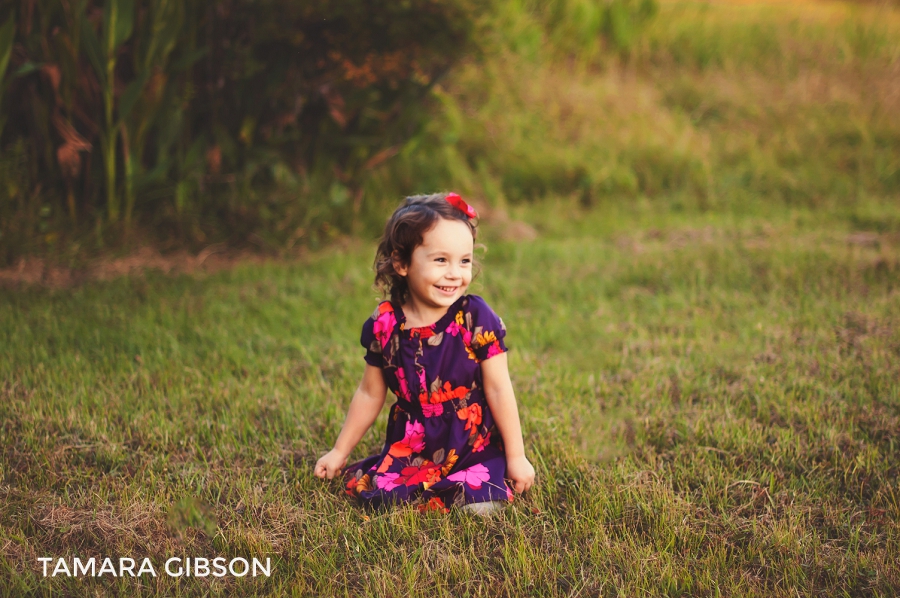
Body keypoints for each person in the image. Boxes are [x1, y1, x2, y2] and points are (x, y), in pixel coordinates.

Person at [314, 192, 535, 515]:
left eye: (464, 261)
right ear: (402, 263)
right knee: (385, 499)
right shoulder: (385, 324)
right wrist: (339, 451)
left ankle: (473, 486)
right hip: (414, 442)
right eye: (440, 260)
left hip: (471, 441)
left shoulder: (474, 318)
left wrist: (516, 457)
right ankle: (421, 481)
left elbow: (499, 389)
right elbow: (369, 393)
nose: (455, 273)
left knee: (479, 504)